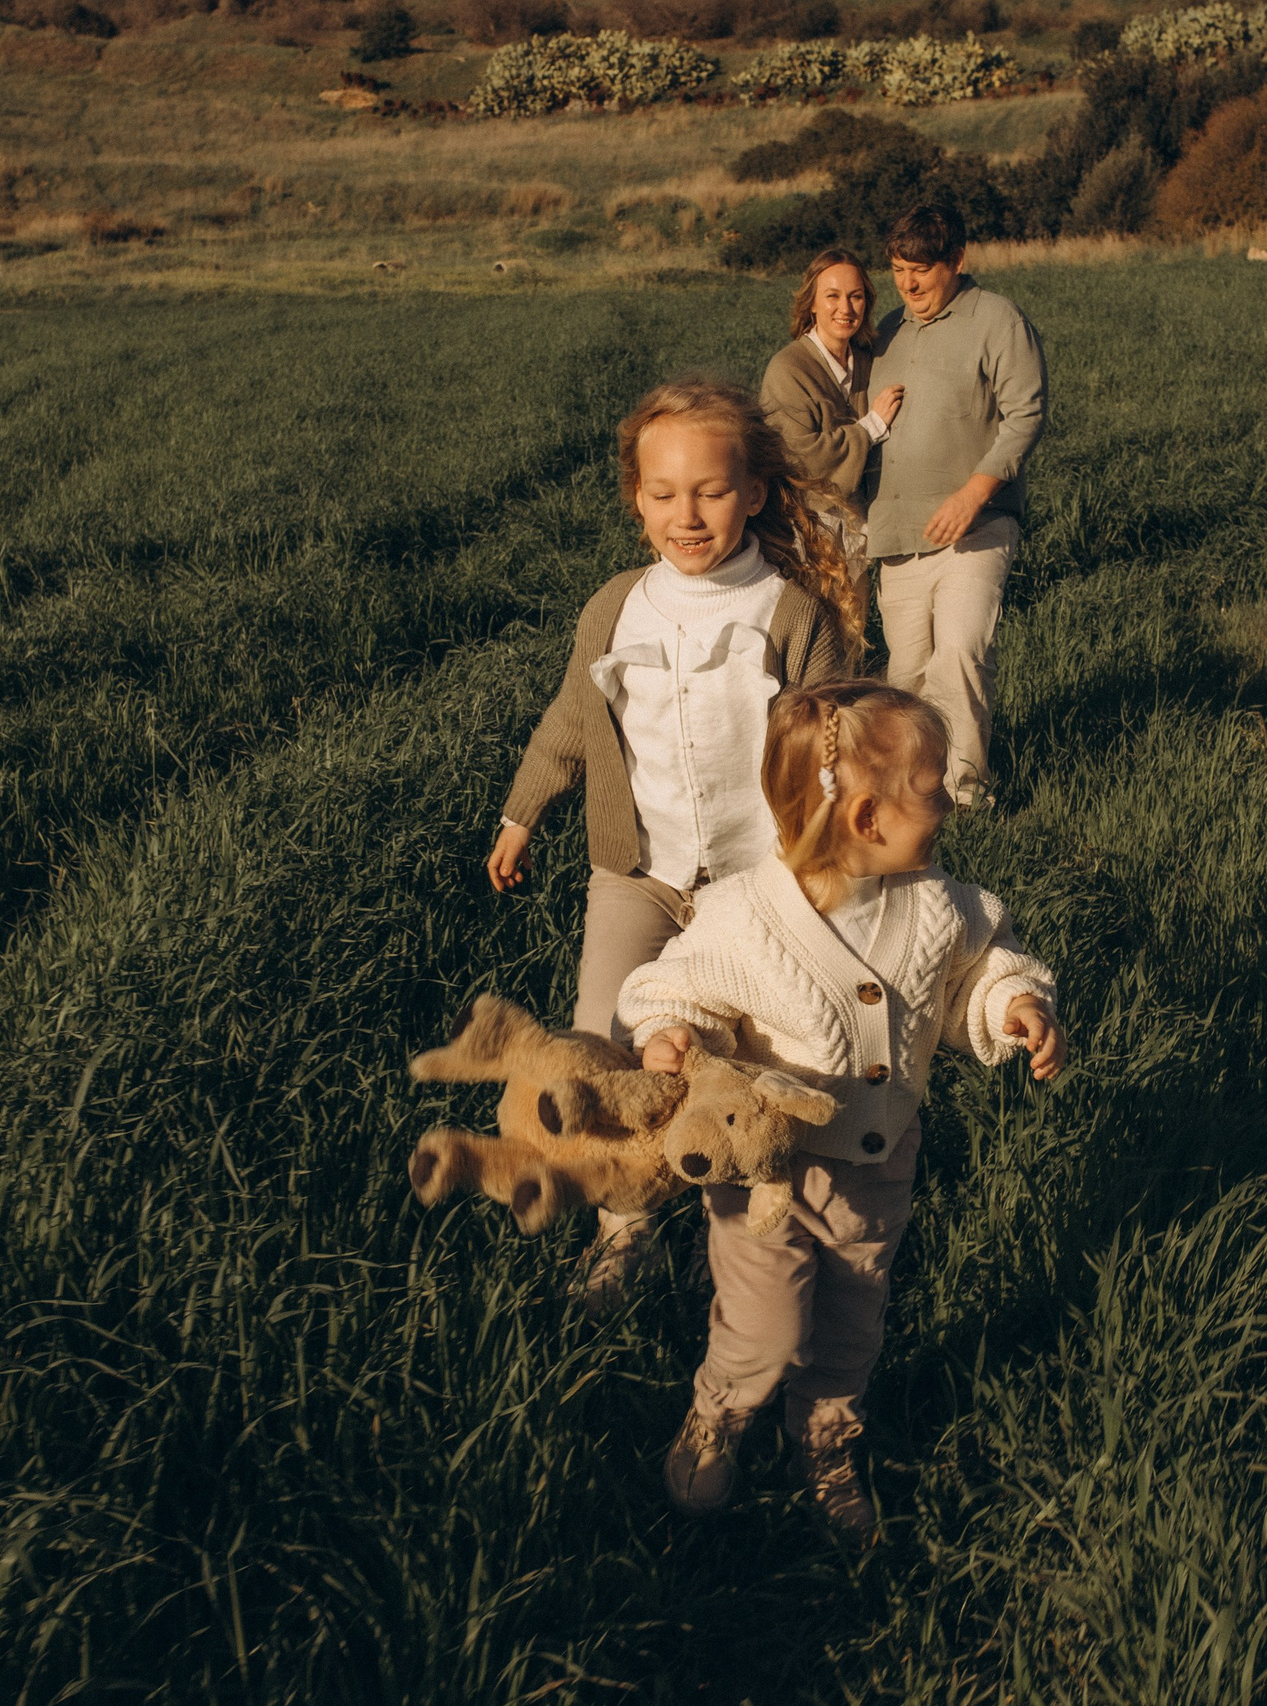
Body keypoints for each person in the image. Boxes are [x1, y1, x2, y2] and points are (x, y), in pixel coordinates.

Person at [618, 680, 1063, 1535]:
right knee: (768, 1325)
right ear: (867, 818)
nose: (945, 809)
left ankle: (825, 1436)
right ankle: (722, 1408)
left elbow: (982, 966)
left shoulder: (939, 906)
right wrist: (668, 1033)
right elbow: (671, 984)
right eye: (932, 792)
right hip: (766, 1176)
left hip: (878, 1166)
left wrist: (1013, 1004)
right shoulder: (744, 919)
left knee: (856, 1313)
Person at [487, 378, 866, 1312]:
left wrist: (837, 868)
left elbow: (839, 752)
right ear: (637, 500)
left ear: (755, 495)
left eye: (709, 491)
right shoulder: (616, 609)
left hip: (756, 883)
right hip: (638, 875)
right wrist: (521, 811)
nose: (685, 514)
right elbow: (571, 720)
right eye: (662, 494)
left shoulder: (791, 616)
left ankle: (740, 1234)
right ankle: (627, 1236)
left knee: (742, 1056)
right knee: (612, 1046)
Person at [865, 204, 1047, 810]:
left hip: (979, 526)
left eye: (922, 269)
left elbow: (1026, 412)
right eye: (898, 270)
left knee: (962, 651)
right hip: (896, 532)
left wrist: (975, 492)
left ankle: (964, 797)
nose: (909, 284)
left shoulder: (997, 319)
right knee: (908, 676)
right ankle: (911, 798)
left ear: (958, 261)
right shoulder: (888, 331)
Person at [760, 247, 907, 517]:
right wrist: (871, 426)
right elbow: (800, 460)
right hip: (807, 527)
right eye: (832, 296)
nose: (846, 308)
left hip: (863, 526)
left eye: (856, 297)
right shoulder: (788, 369)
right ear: (812, 303)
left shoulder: (868, 362)